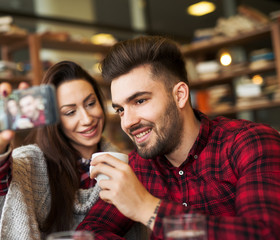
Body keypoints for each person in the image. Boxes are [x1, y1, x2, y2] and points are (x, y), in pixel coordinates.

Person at [77, 36, 280, 239]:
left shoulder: (251, 143)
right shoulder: (138, 166)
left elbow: (266, 234)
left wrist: (146, 207)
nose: (127, 122)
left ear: (180, 95)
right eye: (120, 109)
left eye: (140, 101)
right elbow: (88, 232)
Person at [0, 61, 147, 239]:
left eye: (90, 103)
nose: (87, 119)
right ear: (54, 119)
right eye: (70, 112)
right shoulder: (32, 162)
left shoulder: (125, 162)